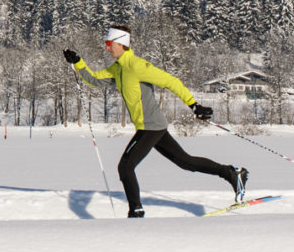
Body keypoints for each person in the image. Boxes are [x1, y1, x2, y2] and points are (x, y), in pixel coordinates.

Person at [65, 25, 247, 218]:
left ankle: (136, 210)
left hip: (150, 127)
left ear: (122, 43)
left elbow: (171, 81)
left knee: (125, 167)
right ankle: (231, 173)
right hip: (151, 127)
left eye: (110, 43)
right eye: (106, 43)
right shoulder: (118, 68)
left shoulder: (137, 66)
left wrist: (194, 105)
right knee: (186, 162)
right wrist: (78, 62)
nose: (107, 47)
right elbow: (94, 79)